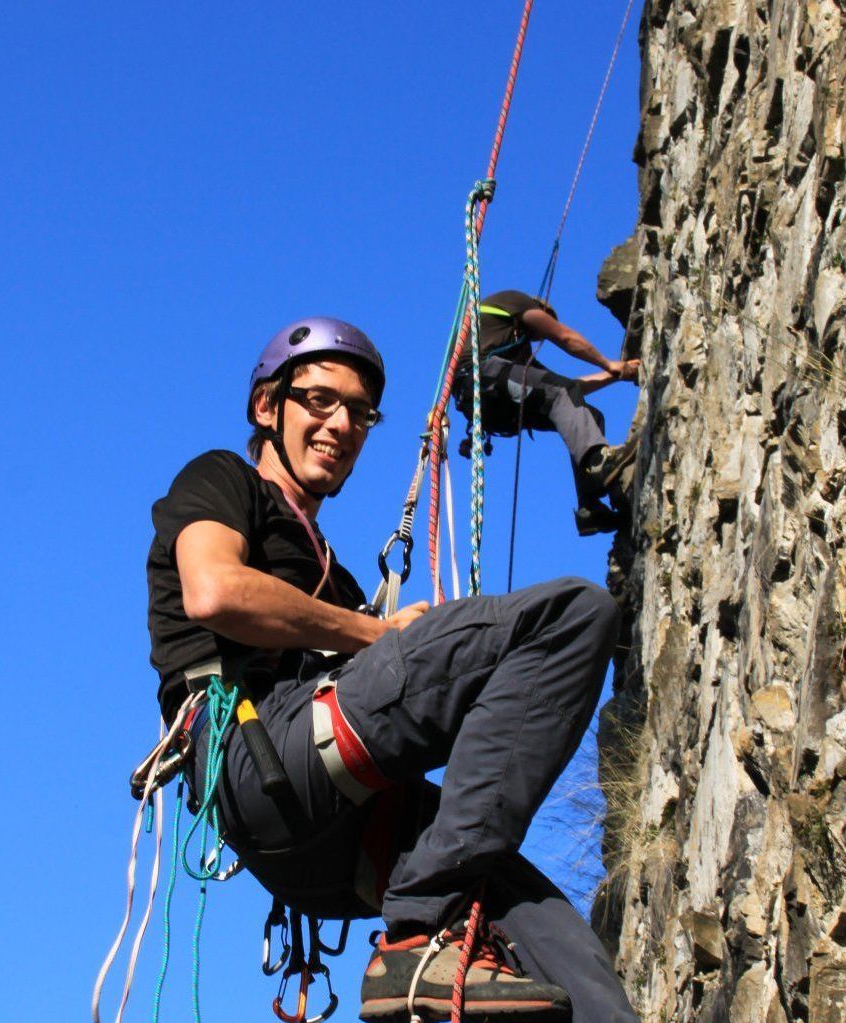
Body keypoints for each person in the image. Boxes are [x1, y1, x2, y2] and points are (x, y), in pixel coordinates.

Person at [146, 316, 638, 1023]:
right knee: (570, 616)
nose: (340, 423)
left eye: (358, 412)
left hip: (326, 838)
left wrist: (436, 647)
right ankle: (421, 919)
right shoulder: (223, 481)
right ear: (266, 406)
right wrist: (376, 634)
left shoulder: (334, 578)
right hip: (256, 755)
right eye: (318, 399)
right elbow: (215, 590)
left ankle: (439, 936)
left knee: (567, 959)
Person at [454, 290, 640, 536]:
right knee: (560, 393)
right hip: (483, 377)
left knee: (587, 413)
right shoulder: (514, 301)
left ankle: (590, 508)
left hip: (488, 396)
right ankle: (598, 462)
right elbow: (564, 337)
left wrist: (615, 375)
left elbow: (570, 390)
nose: (541, 334)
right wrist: (608, 363)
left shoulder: (515, 352)